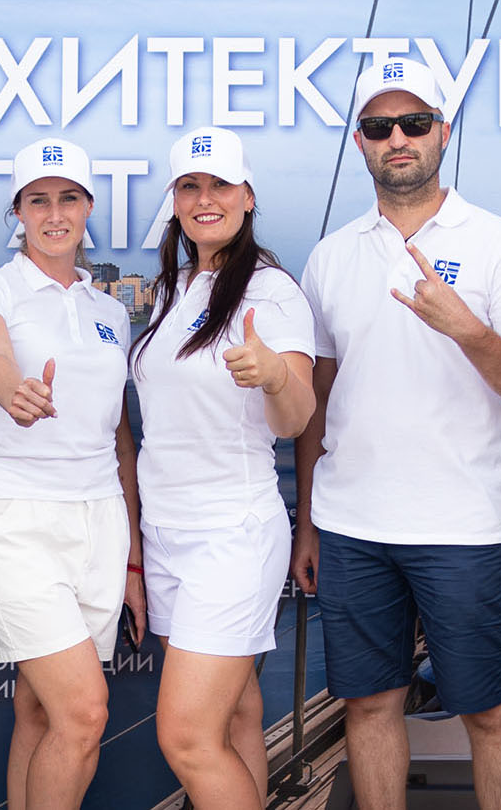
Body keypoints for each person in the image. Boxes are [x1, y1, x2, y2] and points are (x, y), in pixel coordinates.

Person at [292, 59, 501, 810]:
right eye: (379, 127)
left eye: (413, 122)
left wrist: (468, 330)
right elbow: (315, 403)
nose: (397, 138)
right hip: (352, 526)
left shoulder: (499, 244)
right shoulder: (332, 256)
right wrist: (308, 522)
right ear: (360, 141)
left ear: (443, 130)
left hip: (461, 525)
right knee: (369, 706)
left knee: (491, 711)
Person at [130, 126, 316, 809]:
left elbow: (296, 415)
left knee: (187, 737)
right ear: (176, 199)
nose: (205, 198)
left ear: (248, 196)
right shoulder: (173, 288)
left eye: (220, 185)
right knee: (235, 714)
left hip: (231, 534)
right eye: (190, 186)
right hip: (167, 534)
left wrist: (274, 375)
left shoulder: (272, 291)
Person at [0, 137, 145, 810]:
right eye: (38, 200)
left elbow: (119, 434)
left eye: (68, 198)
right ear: (18, 211)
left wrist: (132, 557)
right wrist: (10, 385)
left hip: (99, 519)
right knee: (84, 712)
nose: (55, 213)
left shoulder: (109, 310)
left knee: (40, 709)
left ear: (88, 206)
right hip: (18, 514)